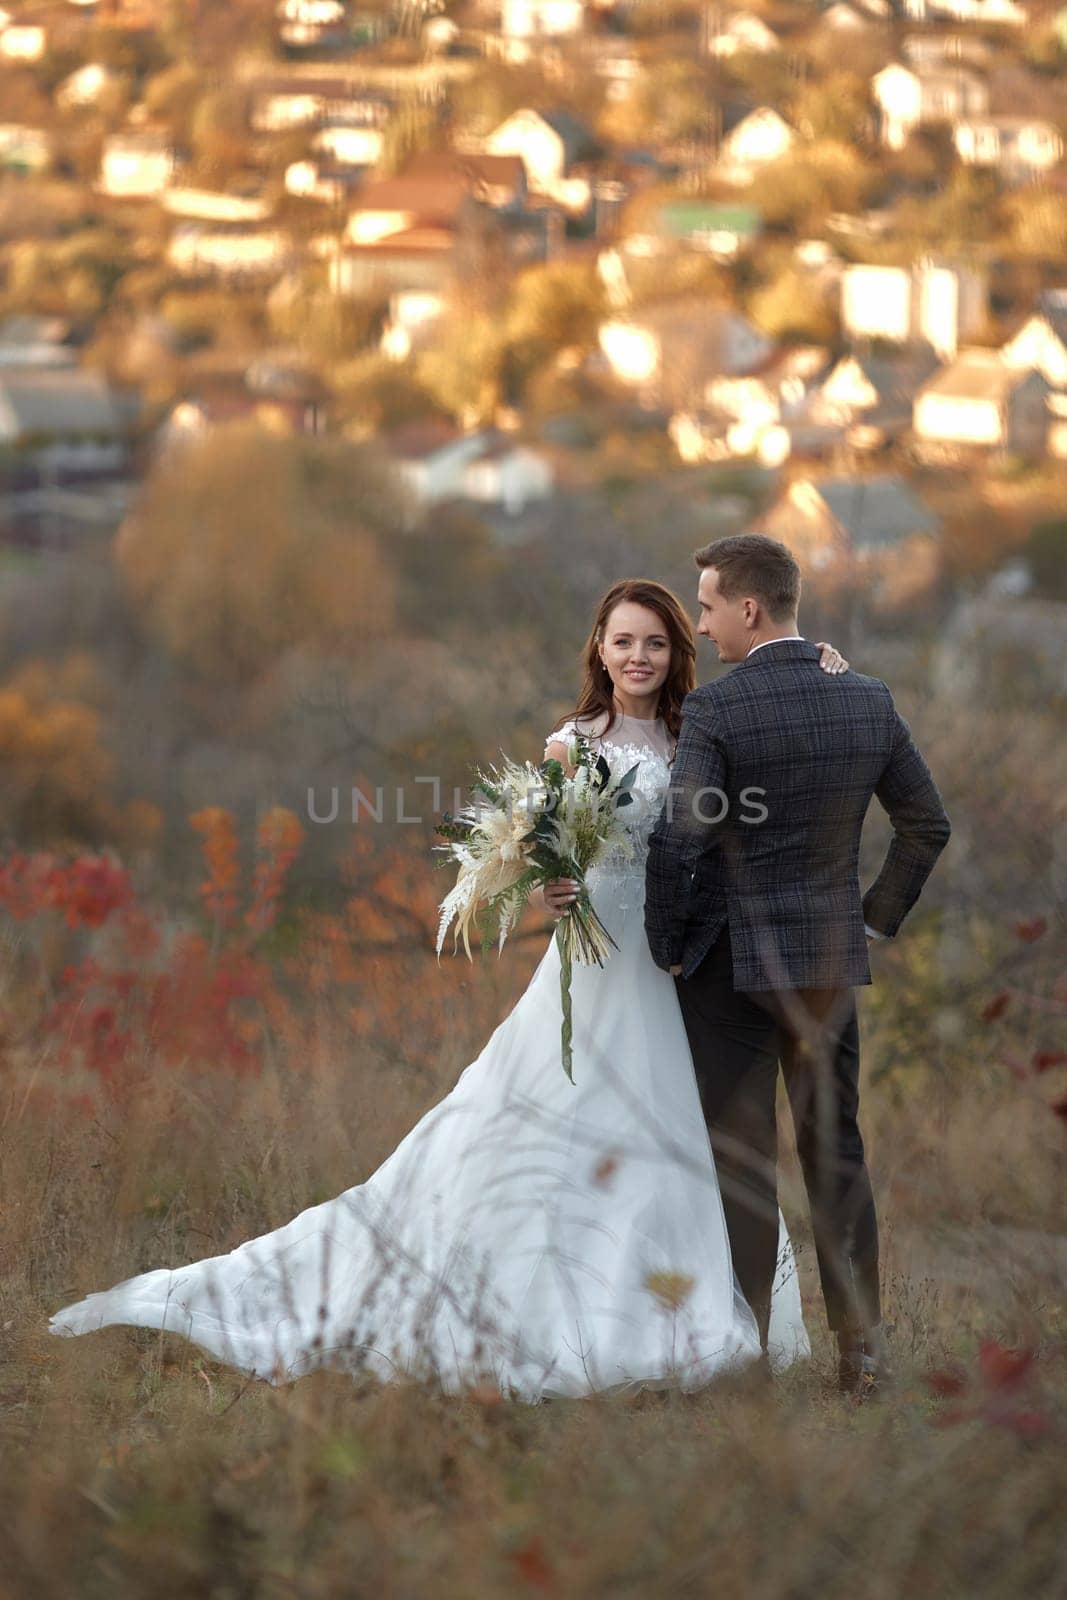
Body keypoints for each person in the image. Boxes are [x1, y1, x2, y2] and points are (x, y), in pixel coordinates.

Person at [47, 580, 849, 1402]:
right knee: (548, 1121)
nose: (637, 658)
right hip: (597, 957)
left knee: (684, 1133)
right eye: (621, 642)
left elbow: (767, 718)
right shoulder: (570, 744)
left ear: (677, 653)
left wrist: (823, 665)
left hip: (680, 962)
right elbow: (548, 855)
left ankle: (683, 1309)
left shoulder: (699, 733)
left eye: (653, 643)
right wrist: (551, 889)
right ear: (598, 650)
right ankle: (553, 1308)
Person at [645, 537, 952, 1396]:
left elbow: (681, 836)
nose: (700, 627)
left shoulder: (717, 713)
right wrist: (873, 924)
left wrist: (666, 943)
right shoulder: (864, 698)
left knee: (743, 1159)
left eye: (705, 607)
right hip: (824, 962)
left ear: (748, 608)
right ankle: (863, 1356)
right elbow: (926, 826)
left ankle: (750, 1350)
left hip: (729, 969)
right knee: (834, 1154)